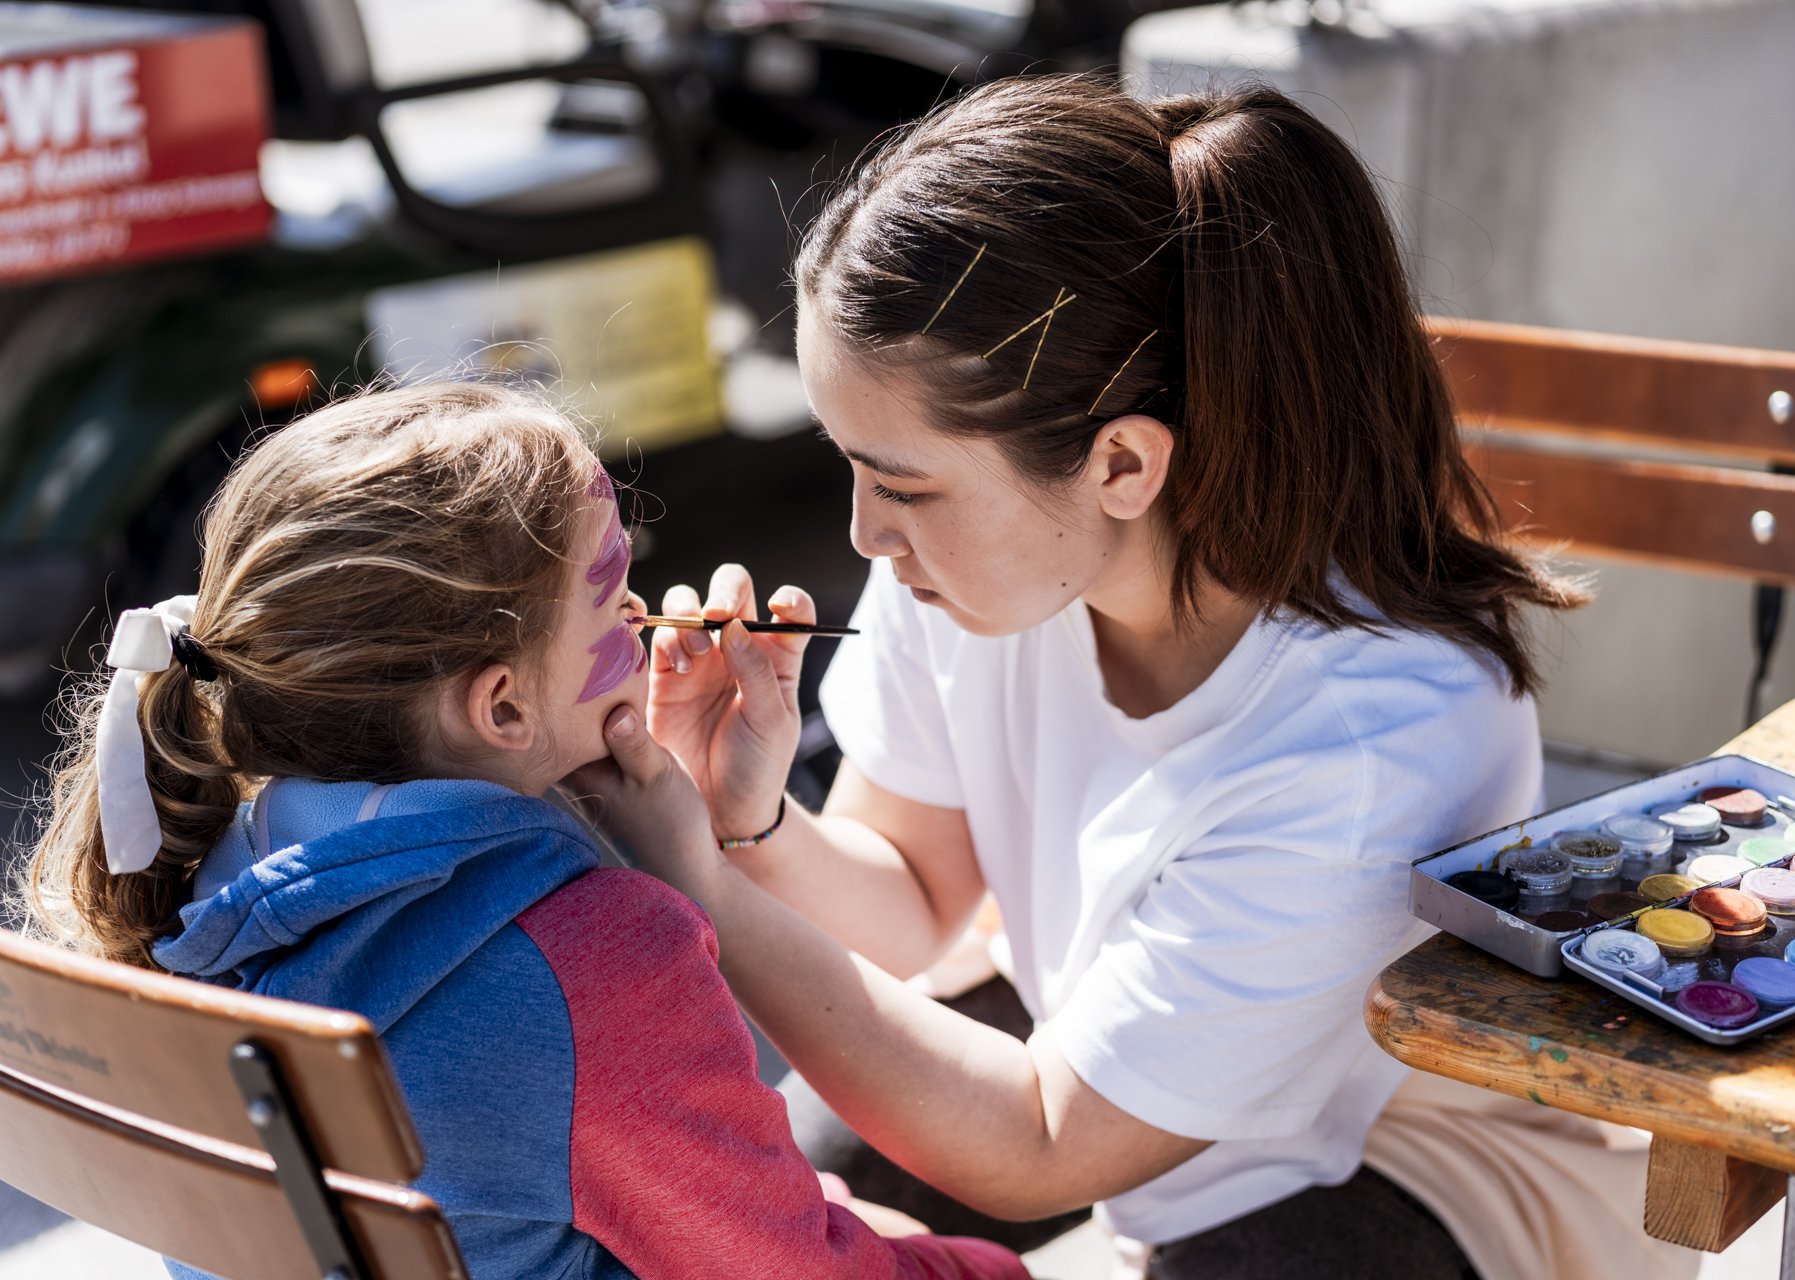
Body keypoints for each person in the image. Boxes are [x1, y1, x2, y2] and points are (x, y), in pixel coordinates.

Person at [597, 76, 1693, 1279]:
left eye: (902, 484)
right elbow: (913, 896)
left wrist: (698, 877)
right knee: (756, 1198)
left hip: (1392, 1156)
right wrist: (743, 817)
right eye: (853, 466)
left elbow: (1040, 1139)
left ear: (1121, 463)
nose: (865, 532)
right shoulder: (987, 563)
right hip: (1083, 1030)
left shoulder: (1370, 739)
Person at [12, 383, 1028, 1280]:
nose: (644, 615)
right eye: (613, 602)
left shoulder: (202, 889)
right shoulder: (592, 955)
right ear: (501, 707)